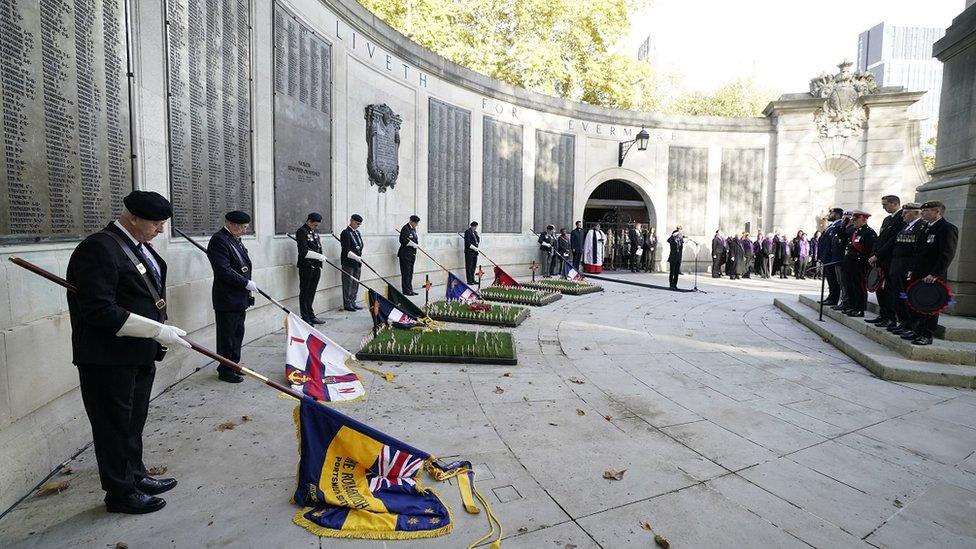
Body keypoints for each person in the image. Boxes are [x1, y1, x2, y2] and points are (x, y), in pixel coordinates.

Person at [65, 191, 187, 514]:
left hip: (139, 355)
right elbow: (99, 311)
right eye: (156, 223)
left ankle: (134, 475)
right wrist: (156, 330)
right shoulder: (99, 248)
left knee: (133, 422)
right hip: (108, 360)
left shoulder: (137, 248)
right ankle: (119, 493)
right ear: (133, 218)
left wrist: (156, 334)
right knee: (113, 426)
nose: (160, 230)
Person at [207, 210, 255, 384]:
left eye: (245, 227)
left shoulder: (234, 240)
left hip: (239, 297)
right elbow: (223, 270)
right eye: (242, 227)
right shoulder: (219, 240)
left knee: (237, 333)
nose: (244, 230)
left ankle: (233, 365)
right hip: (227, 297)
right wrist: (245, 283)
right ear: (231, 224)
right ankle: (225, 370)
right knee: (227, 336)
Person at [903, 201, 959, 345]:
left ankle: (927, 335)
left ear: (937, 212)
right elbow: (917, 252)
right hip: (918, 273)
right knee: (918, 303)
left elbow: (946, 254)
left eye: (926, 211)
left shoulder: (947, 229)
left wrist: (935, 274)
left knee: (930, 305)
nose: (923, 213)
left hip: (932, 276)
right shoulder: (925, 228)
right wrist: (911, 269)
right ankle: (918, 331)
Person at [885, 203, 925, 336]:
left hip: (906, 268)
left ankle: (910, 324)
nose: (902, 215)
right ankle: (903, 322)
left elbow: (916, 251)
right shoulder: (905, 226)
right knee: (897, 296)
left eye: (906, 212)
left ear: (916, 213)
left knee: (905, 297)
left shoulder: (920, 227)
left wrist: (911, 268)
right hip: (896, 266)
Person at [866, 195, 905, 327]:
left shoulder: (901, 218)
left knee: (888, 290)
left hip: (889, 259)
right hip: (880, 259)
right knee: (879, 289)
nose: (883, 207)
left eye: (885, 204)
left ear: (895, 204)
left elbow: (892, 241)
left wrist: (878, 255)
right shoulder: (887, 219)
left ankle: (890, 317)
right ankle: (883, 315)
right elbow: (880, 239)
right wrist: (874, 254)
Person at [841, 211, 877, 317]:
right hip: (850, 263)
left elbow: (870, 249)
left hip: (859, 263)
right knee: (850, 285)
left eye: (856, 220)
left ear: (864, 220)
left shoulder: (869, 232)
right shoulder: (854, 231)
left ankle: (860, 309)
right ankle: (853, 307)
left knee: (859, 286)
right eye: (853, 220)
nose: (854, 222)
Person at [295, 213, 324, 324]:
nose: (316, 227)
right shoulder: (302, 231)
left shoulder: (314, 232)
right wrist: (318, 256)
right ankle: (305, 317)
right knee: (305, 292)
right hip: (306, 266)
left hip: (316, 266)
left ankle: (311, 315)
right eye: (315, 225)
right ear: (309, 221)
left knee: (311, 292)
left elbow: (318, 247)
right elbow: (303, 251)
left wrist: (320, 257)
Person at [339, 214, 365, 311]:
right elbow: (346, 250)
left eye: (359, 224)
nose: (358, 225)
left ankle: (353, 301)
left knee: (355, 282)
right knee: (347, 283)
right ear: (351, 221)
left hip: (357, 262)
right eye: (357, 223)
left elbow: (360, 246)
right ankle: (347, 303)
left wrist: (358, 258)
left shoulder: (357, 233)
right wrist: (356, 257)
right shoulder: (345, 233)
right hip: (348, 262)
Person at [819, 208, 844, 305]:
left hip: (832, 258)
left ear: (837, 215)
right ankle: (830, 296)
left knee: (834, 280)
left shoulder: (839, 225)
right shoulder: (831, 226)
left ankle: (834, 299)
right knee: (830, 279)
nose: (828, 215)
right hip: (827, 257)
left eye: (831, 213)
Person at [397, 215, 421, 295]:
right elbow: (402, 240)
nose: (416, 224)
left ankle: (410, 289)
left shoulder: (413, 229)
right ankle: (406, 290)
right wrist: (411, 244)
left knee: (410, 272)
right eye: (415, 223)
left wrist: (415, 244)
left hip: (412, 254)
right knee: (406, 273)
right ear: (411, 221)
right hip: (405, 255)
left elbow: (414, 239)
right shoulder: (405, 228)